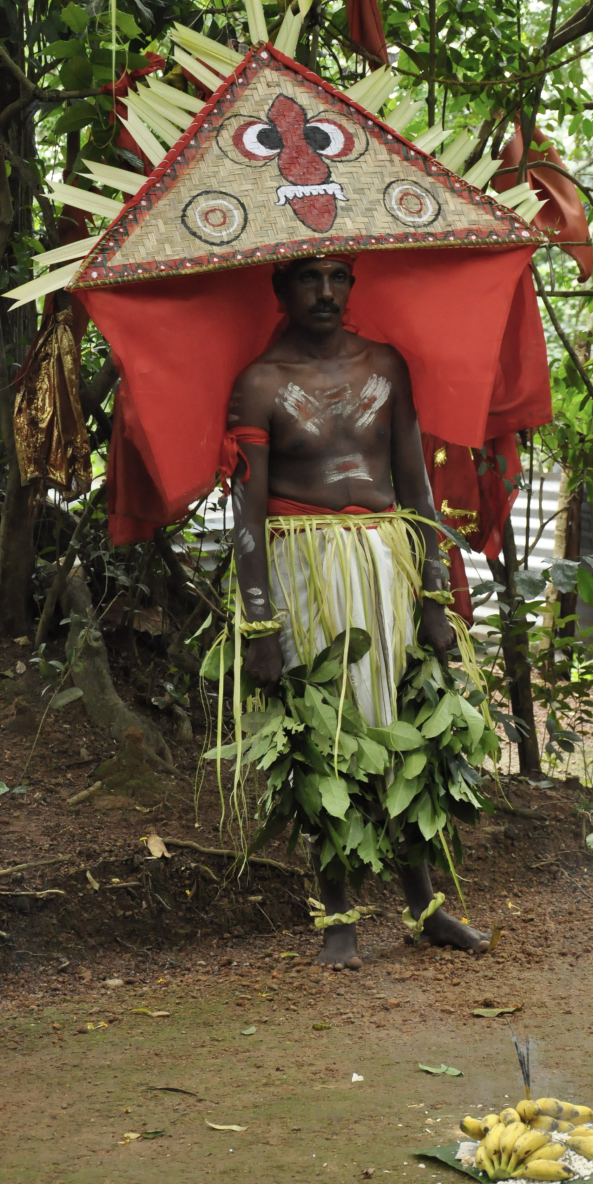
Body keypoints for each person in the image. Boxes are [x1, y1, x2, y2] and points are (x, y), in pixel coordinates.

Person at [224, 254, 490, 969]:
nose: (325, 291)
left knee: (403, 726)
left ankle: (424, 905)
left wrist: (436, 593)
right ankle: (337, 918)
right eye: (308, 278)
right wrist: (260, 623)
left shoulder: (386, 367)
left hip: (384, 560)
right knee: (325, 732)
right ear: (278, 289)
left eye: (339, 276)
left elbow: (416, 482)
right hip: (303, 564)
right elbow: (244, 513)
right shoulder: (260, 385)